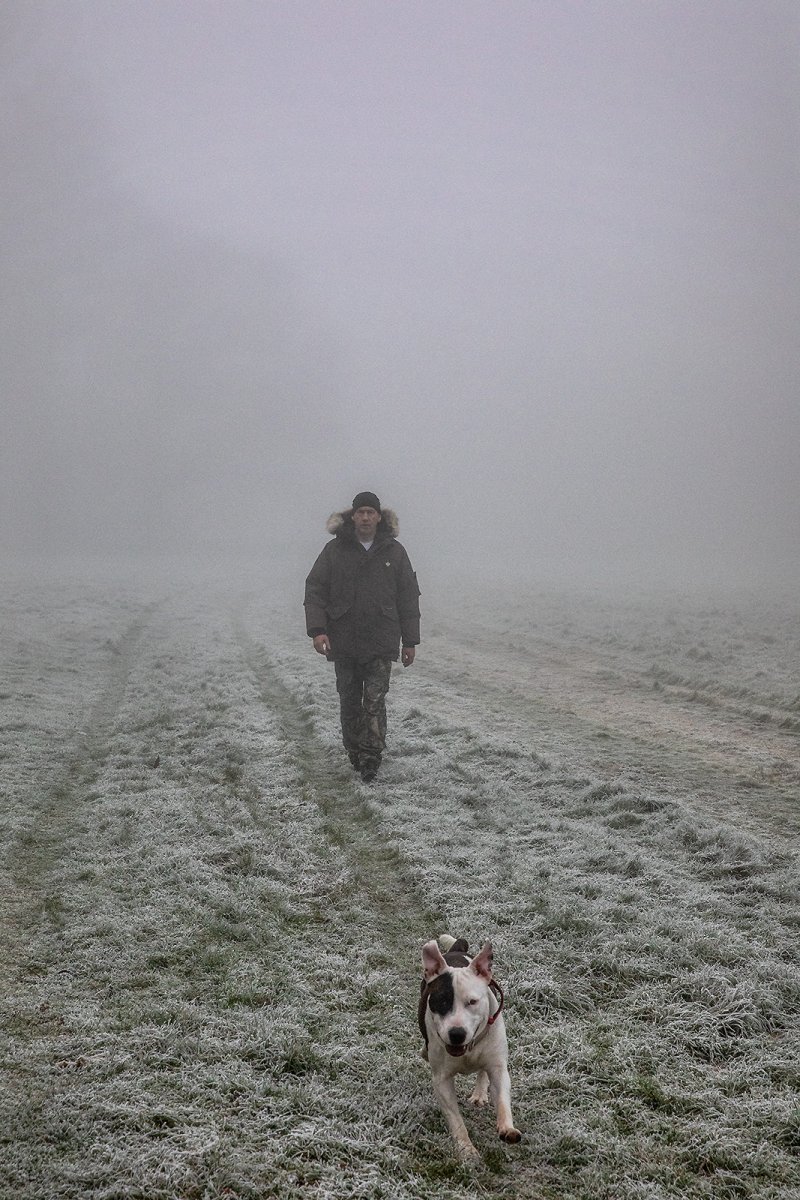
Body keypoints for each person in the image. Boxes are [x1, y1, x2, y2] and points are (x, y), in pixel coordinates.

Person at [304, 491, 421, 782]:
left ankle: (371, 756)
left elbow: (408, 597)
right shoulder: (334, 551)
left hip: (382, 638)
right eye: (361, 512)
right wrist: (318, 631)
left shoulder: (395, 552)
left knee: (375, 701)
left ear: (379, 517)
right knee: (349, 700)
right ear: (353, 516)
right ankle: (354, 751)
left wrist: (410, 641)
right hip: (343, 640)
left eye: (371, 512)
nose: (366, 517)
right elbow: (315, 590)